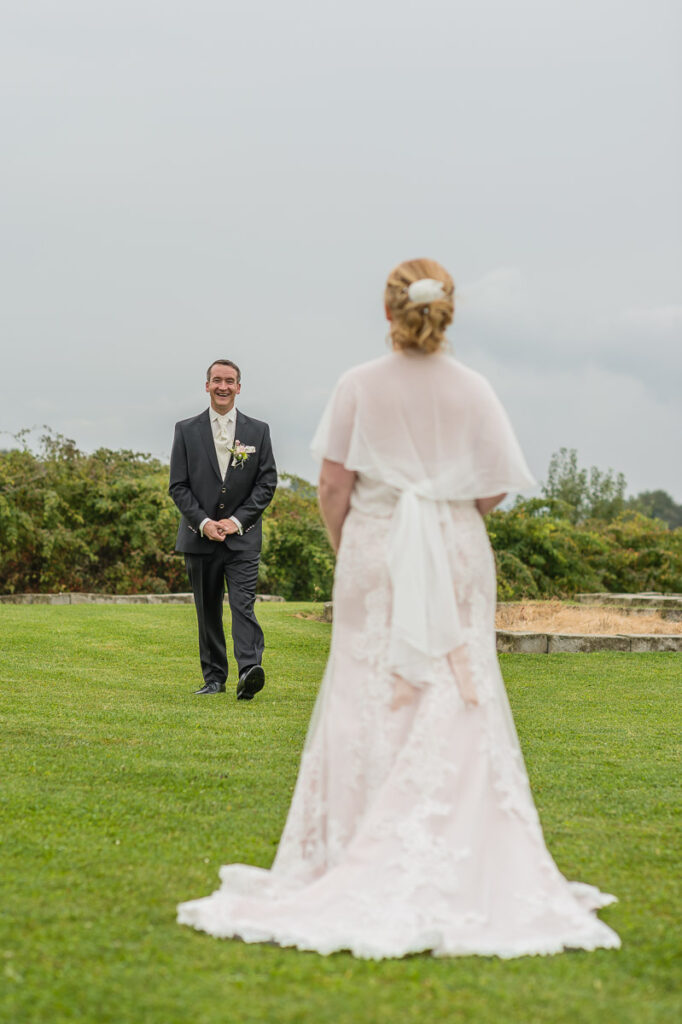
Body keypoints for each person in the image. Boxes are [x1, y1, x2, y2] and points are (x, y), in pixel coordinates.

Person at [177, 261, 620, 958]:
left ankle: (353, 844)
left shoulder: (358, 384)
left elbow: (331, 484)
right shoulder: (474, 388)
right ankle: (468, 854)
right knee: (456, 682)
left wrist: (358, 542)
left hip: (377, 548)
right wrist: (446, 514)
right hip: (455, 550)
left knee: (368, 688)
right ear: (448, 313)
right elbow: (497, 485)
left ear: (389, 314)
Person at [169, 359, 277, 700]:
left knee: (243, 604)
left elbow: (266, 482)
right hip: (199, 537)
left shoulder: (258, 430)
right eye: (217, 380)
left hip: (242, 538)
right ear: (207, 385)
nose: (223, 386)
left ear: (239, 387)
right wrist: (204, 522)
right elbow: (178, 485)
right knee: (208, 609)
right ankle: (214, 678)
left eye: (230, 381)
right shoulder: (185, 430)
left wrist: (236, 521)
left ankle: (249, 670)